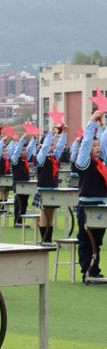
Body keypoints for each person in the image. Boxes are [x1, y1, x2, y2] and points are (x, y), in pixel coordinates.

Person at [74, 111, 107, 281]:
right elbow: (86, 142)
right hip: (87, 206)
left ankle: (95, 269)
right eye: (94, 145)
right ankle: (86, 270)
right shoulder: (83, 162)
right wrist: (92, 124)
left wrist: (103, 126)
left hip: (101, 204)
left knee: (98, 241)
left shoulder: (102, 163)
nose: (97, 147)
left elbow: (105, 141)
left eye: (98, 145)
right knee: (86, 240)